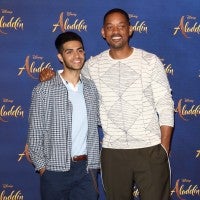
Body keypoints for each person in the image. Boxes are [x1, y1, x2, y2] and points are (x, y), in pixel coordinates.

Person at [38, 8, 174, 200]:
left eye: (121, 26)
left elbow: (165, 104)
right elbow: (70, 77)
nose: (115, 31)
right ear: (103, 32)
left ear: (130, 30)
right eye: (110, 27)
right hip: (112, 152)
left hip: (151, 149)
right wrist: (49, 75)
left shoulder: (150, 61)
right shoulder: (92, 65)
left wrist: (163, 148)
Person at [27, 31, 100, 200]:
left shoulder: (91, 88)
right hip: (54, 171)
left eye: (80, 50)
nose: (77, 55)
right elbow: (35, 132)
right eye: (70, 51)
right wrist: (43, 168)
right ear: (60, 57)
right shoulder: (44, 89)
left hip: (87, 170)